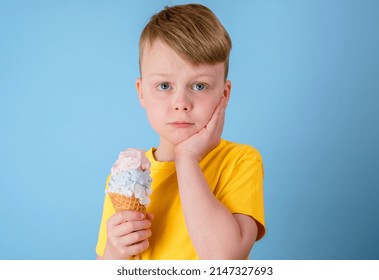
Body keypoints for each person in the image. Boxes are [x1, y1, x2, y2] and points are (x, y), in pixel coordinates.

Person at [96, 3, 265, 260]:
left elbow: (224, 261)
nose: (181, 102)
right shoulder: (125, 177)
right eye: (164, 85)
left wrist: (187, 157)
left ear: (225, 93)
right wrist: (113, 252)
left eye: (199, 86)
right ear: (141, 91)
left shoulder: (240, 161)